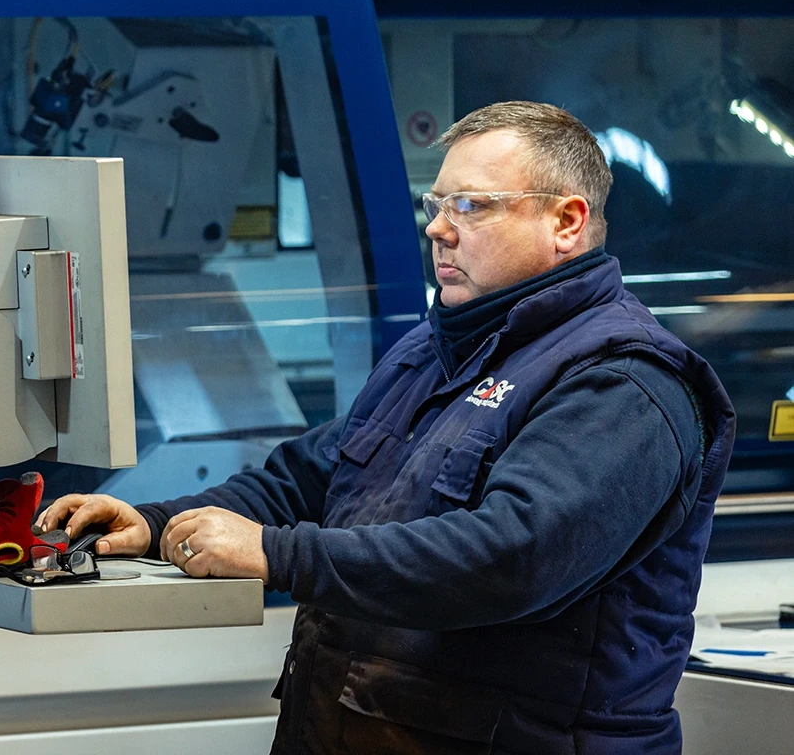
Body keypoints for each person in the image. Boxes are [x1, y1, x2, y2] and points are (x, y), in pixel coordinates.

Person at [38, 101, 735, 754]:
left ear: (567, 223)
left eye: (472, 206)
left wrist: (279, 556)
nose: (438, 226)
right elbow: (308, 478)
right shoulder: (433, 352)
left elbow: (512, 559)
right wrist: (157, 521)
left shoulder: (623, 383)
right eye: (436, 204)